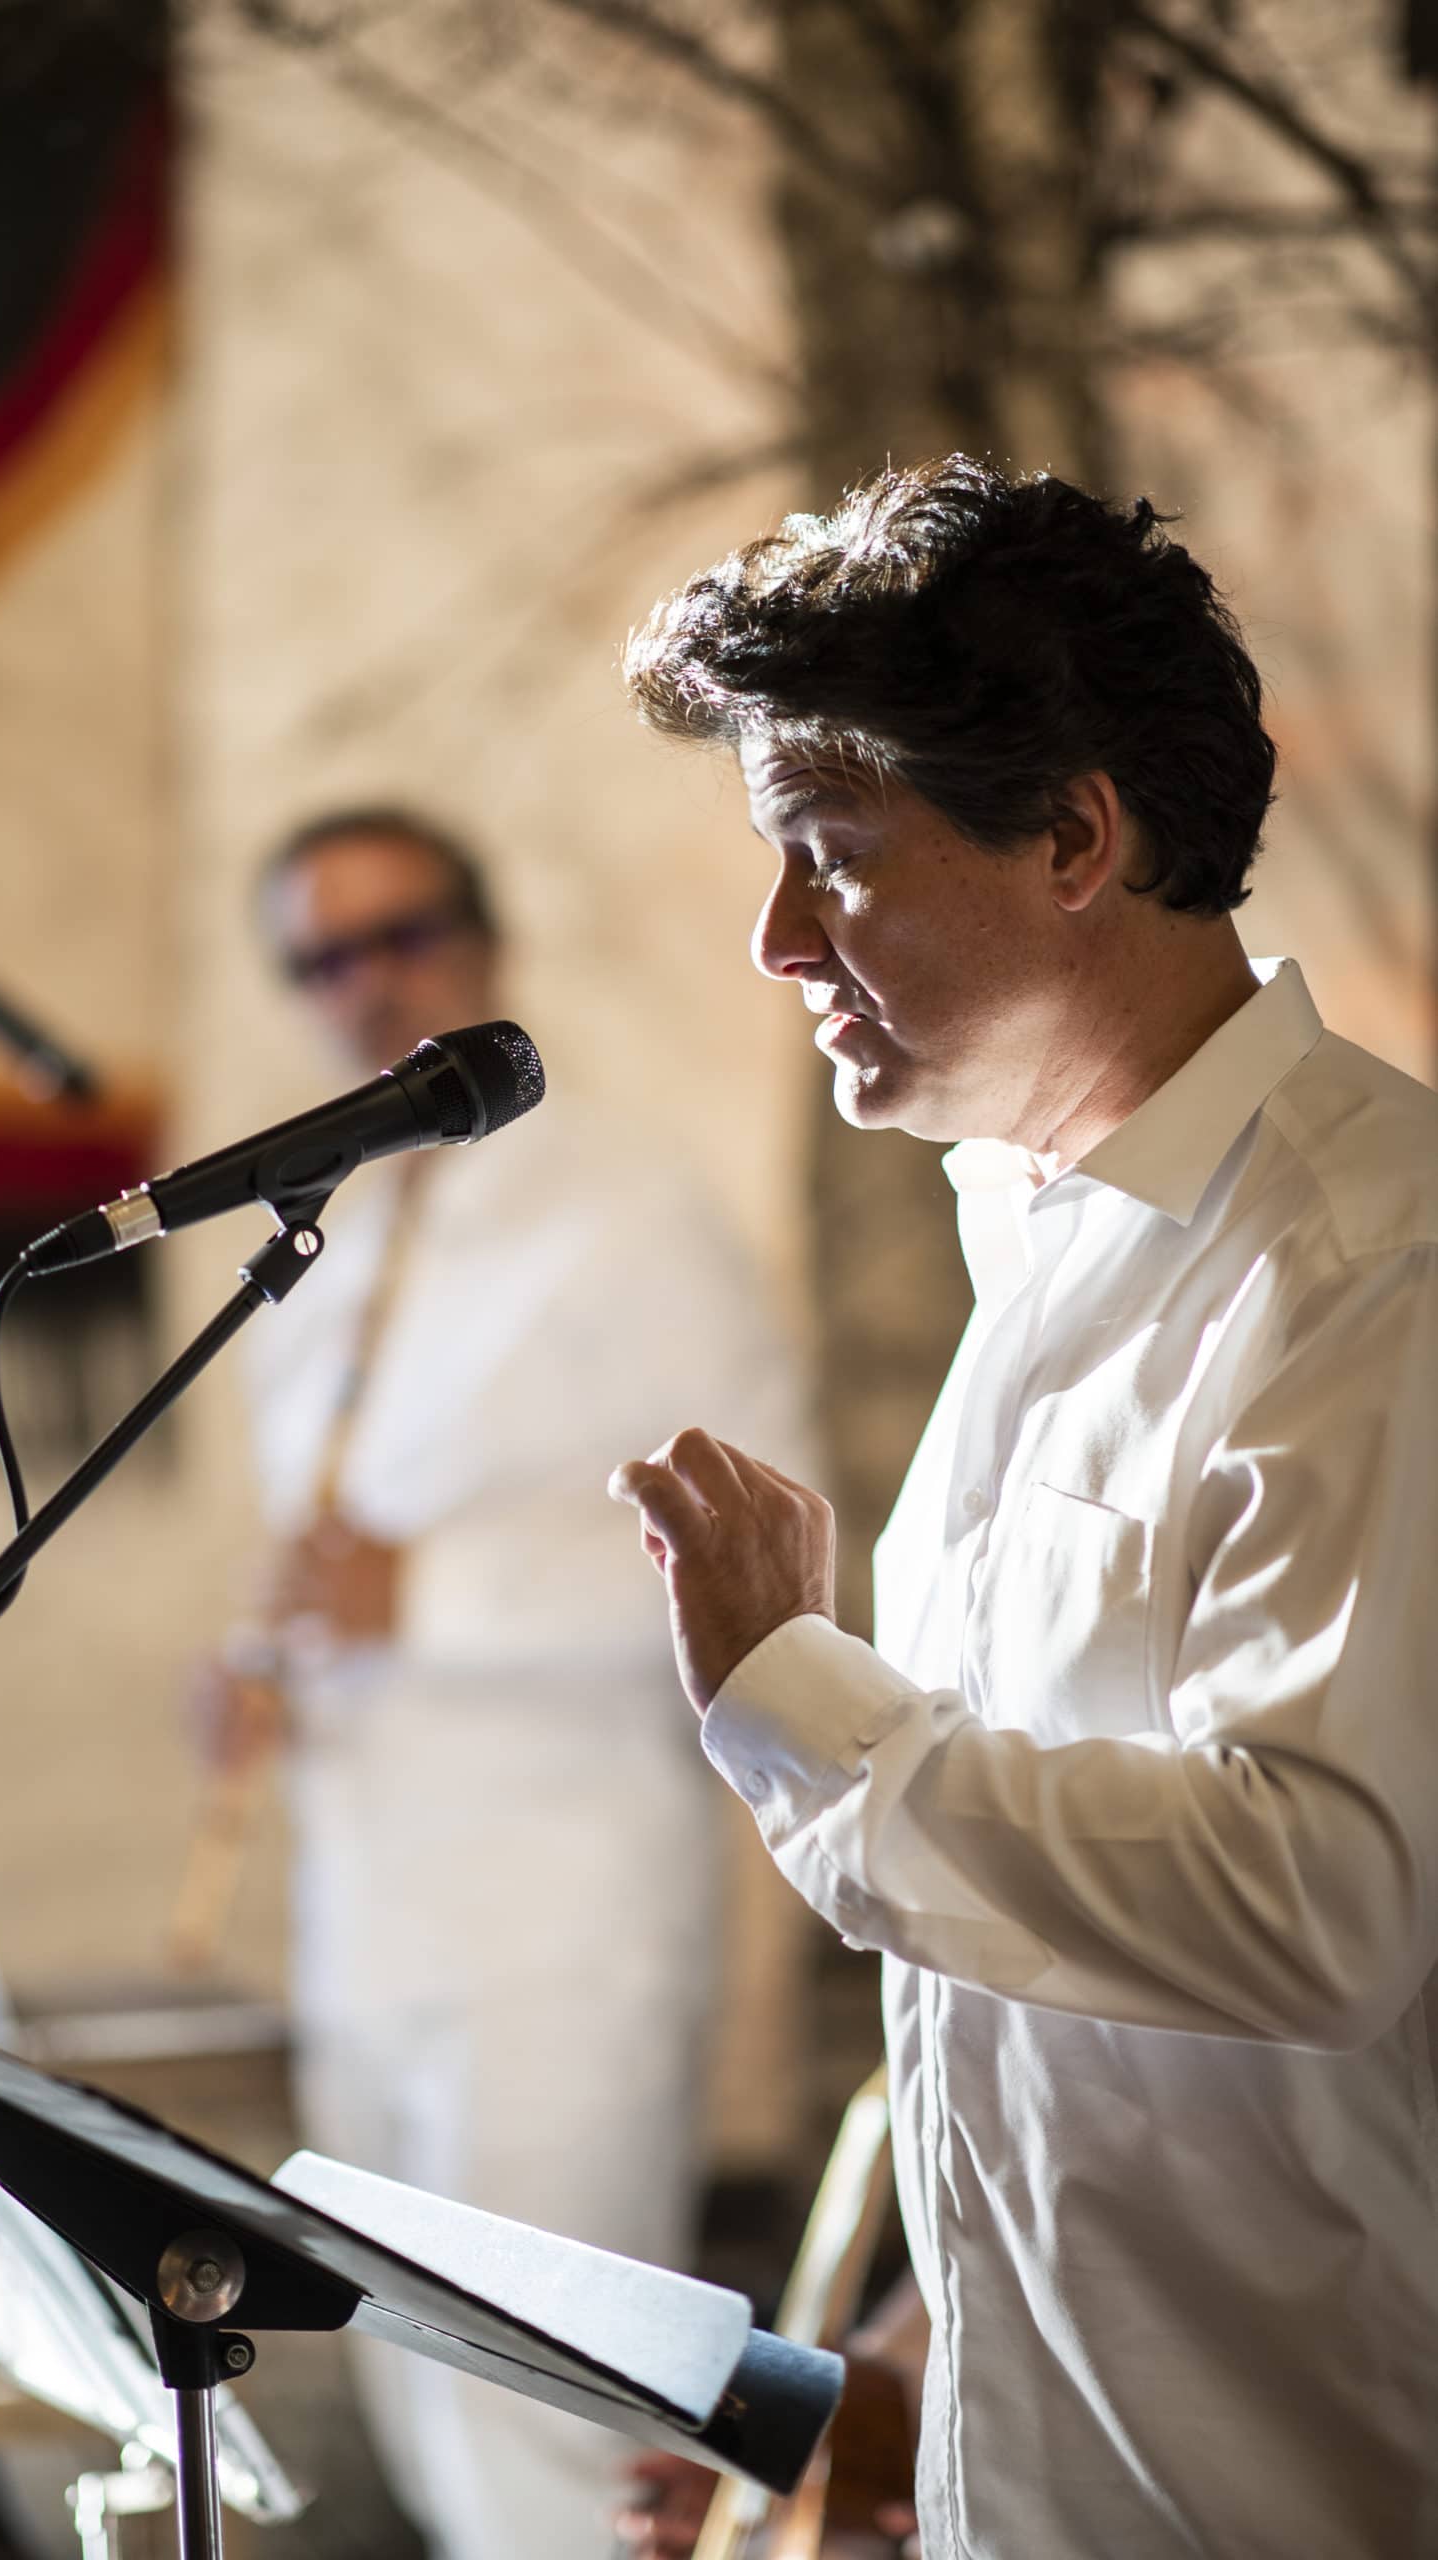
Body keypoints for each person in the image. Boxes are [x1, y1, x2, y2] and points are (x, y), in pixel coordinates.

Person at [607, 458, 1438, 2560]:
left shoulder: (1370, 1265)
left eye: (831, 857)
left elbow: (1312, 1903)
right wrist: (897, 2378)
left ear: (1074, 836)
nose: (774, 938)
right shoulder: (1040, 1241)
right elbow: (1060, 2002)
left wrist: (803, 1697)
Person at [192, 807, 803, 2560]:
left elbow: (764, 1552)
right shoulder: (322, 1243)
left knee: (547, 2440)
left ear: (487, 939)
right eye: (323, 958)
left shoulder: (629, 1206)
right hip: (371, 1918)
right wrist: (269, 1670)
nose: (369, 984)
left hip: (559, 1914)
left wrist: (429, 1591)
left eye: (405, 935)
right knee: (422, 2417)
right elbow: (339, 1569)